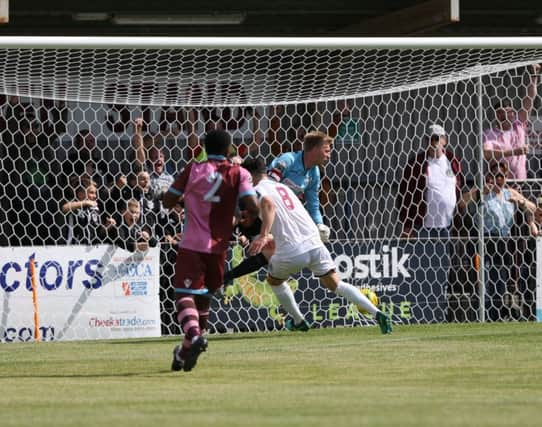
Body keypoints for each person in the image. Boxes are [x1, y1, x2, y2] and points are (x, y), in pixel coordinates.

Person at [242, 157, 392, 334]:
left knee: (274, 281)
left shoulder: (257, 190)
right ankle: (377, 313)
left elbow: (268, 204)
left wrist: (263, 235)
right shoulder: (283, 187)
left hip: (292, 248)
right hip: (314, 242)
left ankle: (298, 320)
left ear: (250, 175)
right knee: (336, 284)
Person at [163, 129, 259, 373]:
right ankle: (184, 352)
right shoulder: (239, 173)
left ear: (205, 147)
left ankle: (194, 336)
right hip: (219, 248)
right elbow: (253, 205)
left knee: (183, 294)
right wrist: (245, 219)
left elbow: (168, 202)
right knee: (204, 297)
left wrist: (188, 199)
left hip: (192, 244)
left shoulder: (193, 169)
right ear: (229, 150)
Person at [222, 130, 333, 287]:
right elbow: (269, 187)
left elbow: (313, 203)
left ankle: (226, 277)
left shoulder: (314, 173)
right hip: (265, 208)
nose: (329, 155)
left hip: (283, 215)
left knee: (271, 255)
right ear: (315, 149)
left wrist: (320, 224)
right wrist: (265, 232)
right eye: (327, 150)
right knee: (266, 249)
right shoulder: (287, 160)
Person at [459, 162, 540, 320]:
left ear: (505, 178)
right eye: (495, 176)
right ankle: (482, 315)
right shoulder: (482, 193)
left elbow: (533, 208)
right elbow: (462, 203)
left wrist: (521, 202)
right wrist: (479, 191)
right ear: (490, 177)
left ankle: (495, 316)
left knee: (500, 281)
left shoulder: (510, 193)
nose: (498, 180)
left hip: (503, 242)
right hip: (486, 240)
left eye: (501, 176)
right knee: (484, 279)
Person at [397, 124, 463, 239]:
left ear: (444, 140)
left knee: (448, 256)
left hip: (449, 226)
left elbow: (459, 189)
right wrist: (407, 226)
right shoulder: (416, 164)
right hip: (422, 227)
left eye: (437, 138)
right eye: (429, 138)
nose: (433, 142)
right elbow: (405, 195)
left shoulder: (453, 161)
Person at [483, 63, 541, 181]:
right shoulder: (489, 134)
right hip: (500, 183)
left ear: (513, 113)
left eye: (508, 111)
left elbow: (529, 98)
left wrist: (534, 77)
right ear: (496, 115)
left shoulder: (518, 125)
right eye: (500, 112)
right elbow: (487, 154)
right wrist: (515, 152)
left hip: (520, 181)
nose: (504, 114)